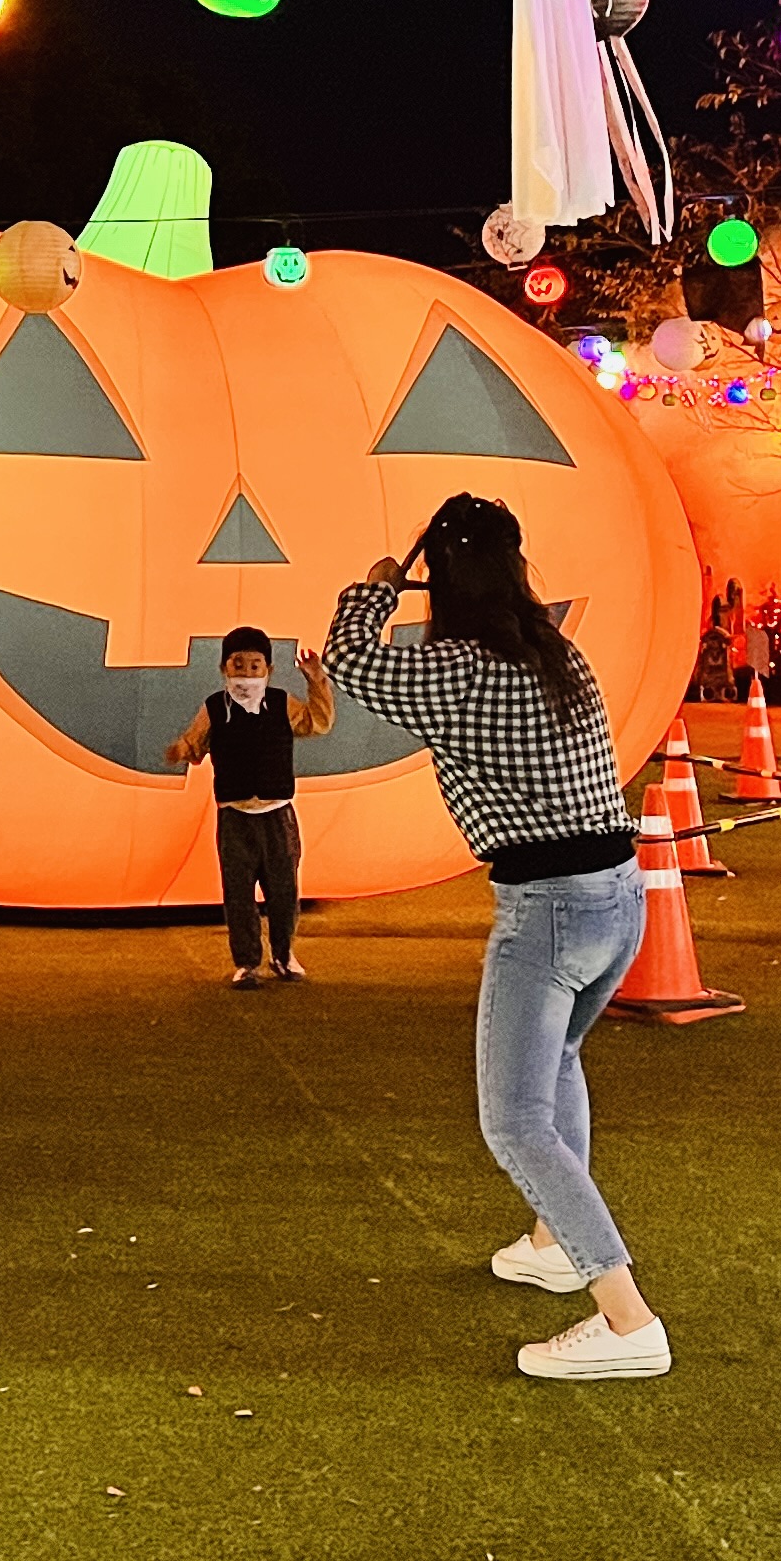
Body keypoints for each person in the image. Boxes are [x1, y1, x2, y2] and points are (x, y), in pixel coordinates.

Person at [323, 494, 668, 1382]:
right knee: (555, 1071)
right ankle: (557, 1243)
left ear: (443, 577)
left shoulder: (455, 667)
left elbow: (352, 666)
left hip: (546, 906)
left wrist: (375, 588)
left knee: (512, 1122)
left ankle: (626, 1320)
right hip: (618, 898)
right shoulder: (559, 654)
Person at [163, 627, 336, 986]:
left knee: (284, 890)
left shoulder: (281, 703)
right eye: (238, 664)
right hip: (235, 817)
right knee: (238, 893)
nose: (246, 672)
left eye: (255, 665)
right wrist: (182, 749)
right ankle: (246, 962)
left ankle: (284, 955)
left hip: (278, 814)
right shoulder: (214, 707)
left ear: (268, 669)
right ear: (224, 668)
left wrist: (317, 681)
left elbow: (317, 723)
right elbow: (196, 743)